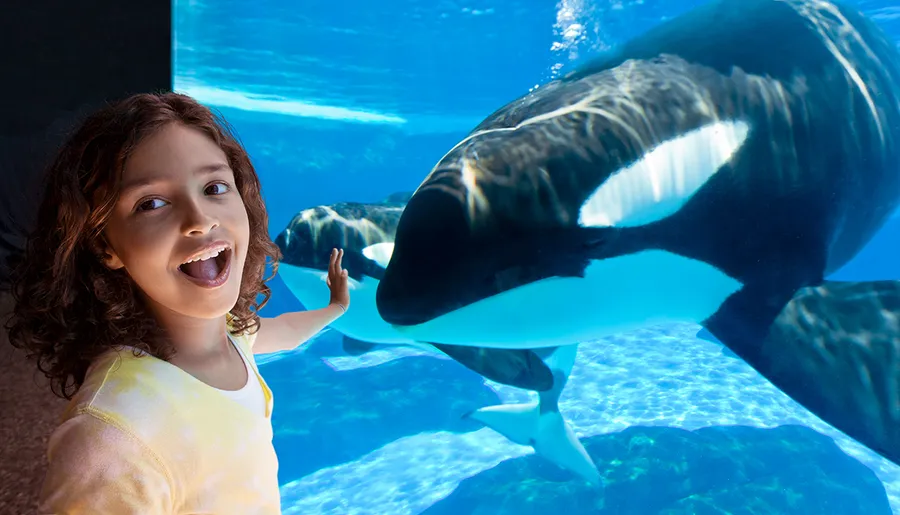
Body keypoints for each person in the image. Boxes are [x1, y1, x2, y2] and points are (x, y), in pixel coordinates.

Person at [5, 91, 351, 514]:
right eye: (151, 203)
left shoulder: (230, 335)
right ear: (103, 245)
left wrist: (333, 309)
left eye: (214, 187)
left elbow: (279, 333)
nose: (200, 219)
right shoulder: (114, 435)